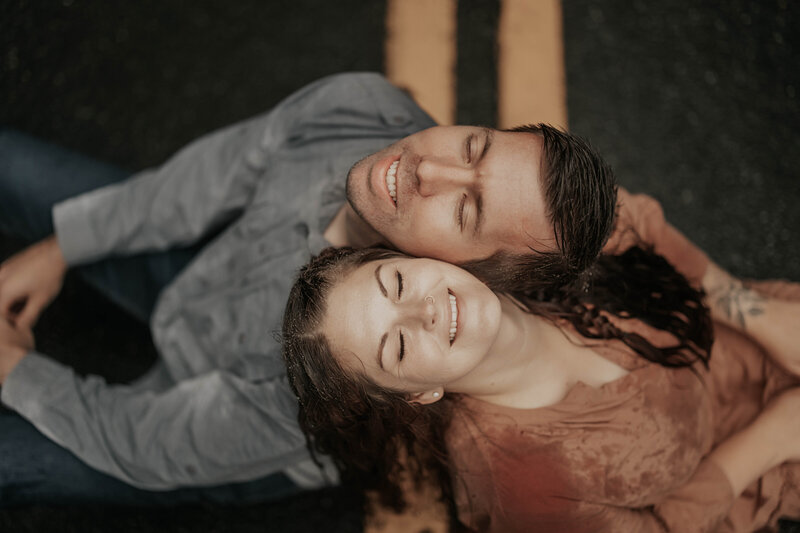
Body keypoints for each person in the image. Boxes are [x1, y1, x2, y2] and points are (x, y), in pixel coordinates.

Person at [0, 72, 618, 505]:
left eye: (465, 212)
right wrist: (61, 247)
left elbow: (146, 443)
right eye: (474, 146)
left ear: (471, 273)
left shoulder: (338, 369)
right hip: (205, 275)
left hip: (224, 430)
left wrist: (14, 369)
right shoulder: (362, 106)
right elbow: (202, 179)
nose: (428, 168)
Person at [281, 233, 800, 532]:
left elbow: (635, 220)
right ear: (419, 394)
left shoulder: (515, 239)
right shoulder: (518, 483)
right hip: (765, 466)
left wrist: (761, 315)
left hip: (754, 335)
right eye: (397, 346)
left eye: (397, 283)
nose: (425, 311)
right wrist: (773, 439)